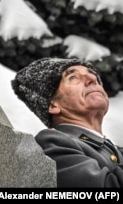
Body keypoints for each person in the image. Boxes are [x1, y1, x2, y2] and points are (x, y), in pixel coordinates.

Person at [12, 57, 123, 188]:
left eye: (94, 76)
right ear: (53, 106)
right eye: (73, 77)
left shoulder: (117, 150)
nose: (93, 79)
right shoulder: (51, 143)